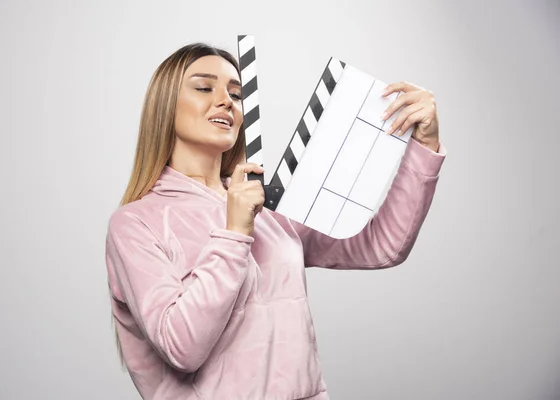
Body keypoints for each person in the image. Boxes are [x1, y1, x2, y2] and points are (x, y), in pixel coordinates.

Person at [104, 42, 446, 400]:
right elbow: (182, 347)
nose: (225, 101)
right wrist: (235, 232)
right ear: (165, 106)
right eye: (205, 88)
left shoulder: (269, 205)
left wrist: (424, 147)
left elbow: (381, 246)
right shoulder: (134, 225)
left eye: (236, 94)